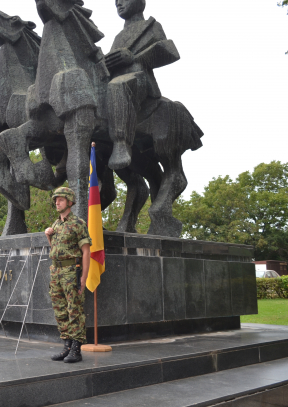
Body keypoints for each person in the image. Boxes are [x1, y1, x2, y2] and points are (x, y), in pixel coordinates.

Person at [104, 0, 180, 171]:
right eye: (116, 2)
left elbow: (170, 52)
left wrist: (134, 58)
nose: (119, 4)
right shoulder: (118, 36)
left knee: (118, 86)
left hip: (140, 80)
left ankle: (121, 142)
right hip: (116, 79)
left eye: (123, 0)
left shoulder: (151, 26)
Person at [44, 187, 91, 363]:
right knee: (60, 310)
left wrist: (84, 278)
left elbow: (86, 252)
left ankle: (77, 349)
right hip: (56, 272)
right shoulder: (56, 224)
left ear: (70, 202)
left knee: (74, 310)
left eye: (61, 200)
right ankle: (67, 347)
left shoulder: (78, 224)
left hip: (72, 272)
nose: (57, 202)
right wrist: (49, 236)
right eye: (56, 199)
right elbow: (56, 250)